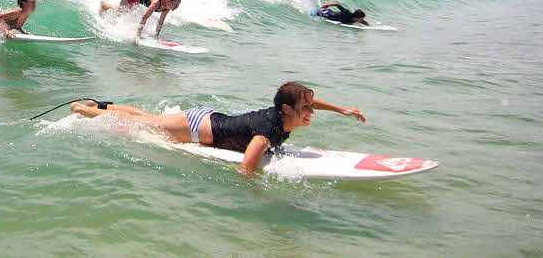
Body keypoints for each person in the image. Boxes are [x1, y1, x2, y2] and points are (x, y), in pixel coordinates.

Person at [70, 81, 366, 174]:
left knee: (149, 117)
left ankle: (102, 105)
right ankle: (85, 110)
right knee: (142, 121)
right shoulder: (268, 132)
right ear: (287, 109)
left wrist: (342, 110)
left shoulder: (285, 112)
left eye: (310, 106)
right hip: (200, 127)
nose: (311, 111)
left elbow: (313, 101)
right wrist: (261, 196)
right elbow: (246, 166)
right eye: (306, 108)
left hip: (212, 117)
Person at [99, 0, 182, 39]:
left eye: (177, 5)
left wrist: (156, 36)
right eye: (175, 5)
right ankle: (103, 4)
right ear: (168, 0)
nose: (176, 7)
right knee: (120, 13)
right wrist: (138, 36)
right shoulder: (156, 3)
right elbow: (144, 18)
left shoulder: (167, 7)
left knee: (128, 10)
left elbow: (161, 21)